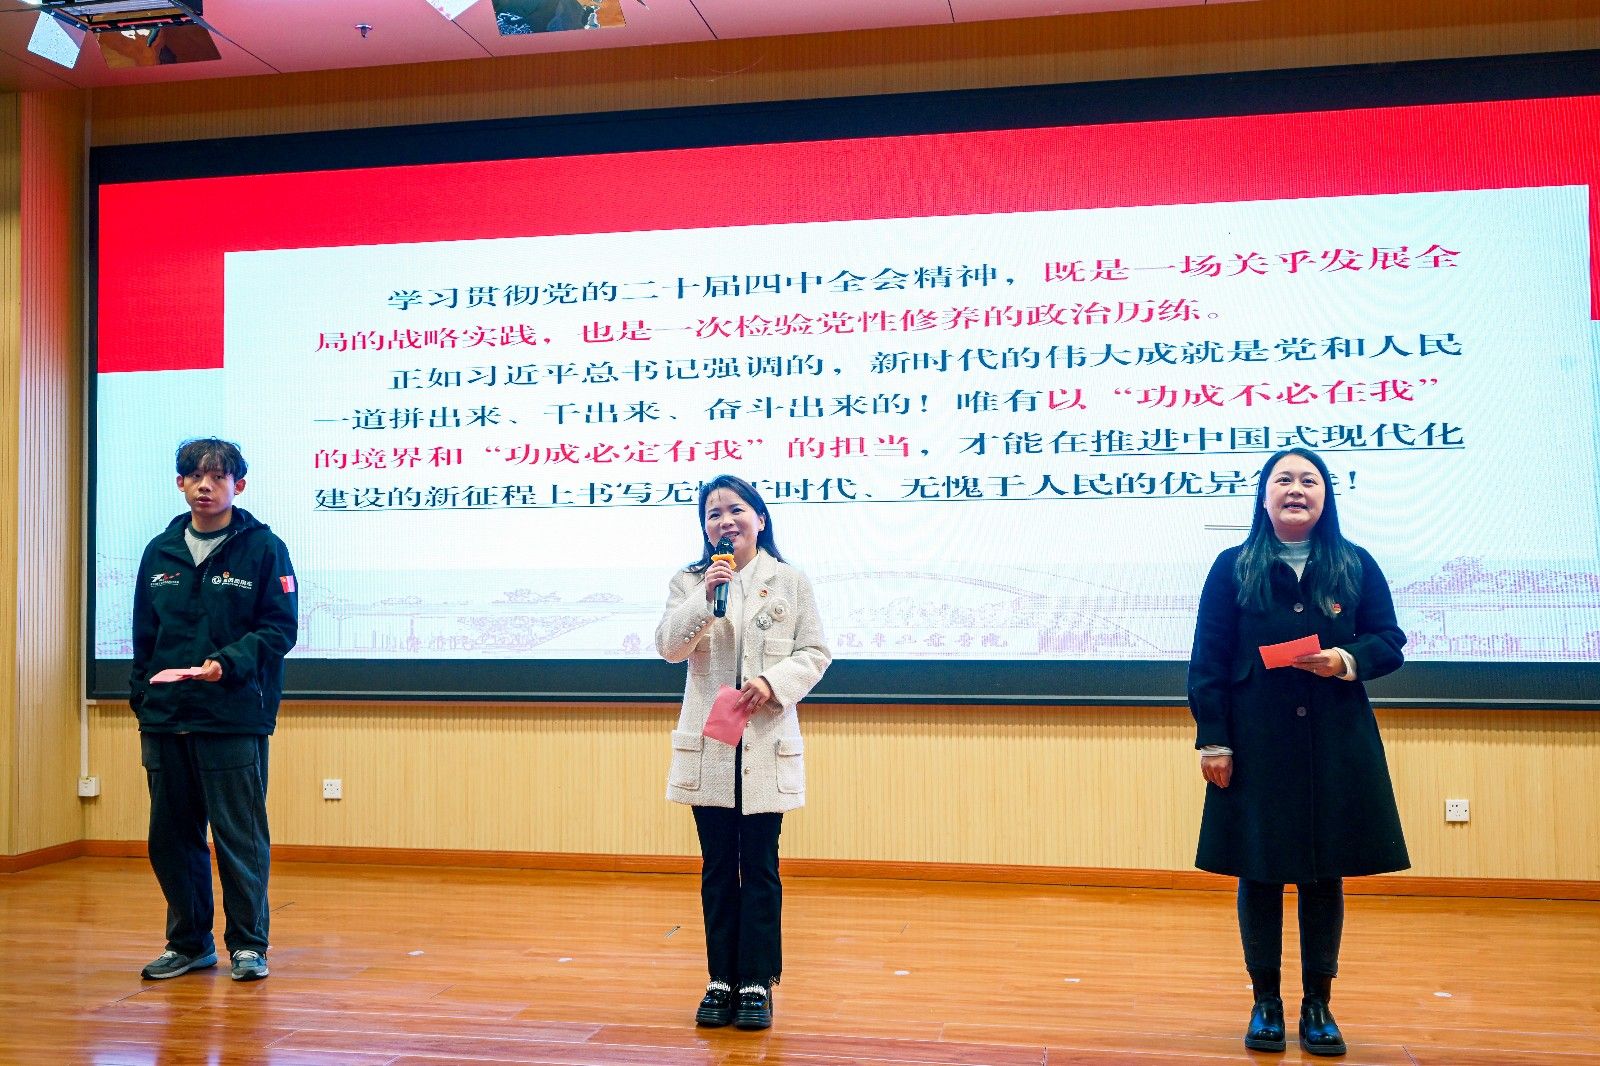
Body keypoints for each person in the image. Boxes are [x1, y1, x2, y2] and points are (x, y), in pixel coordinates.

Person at [1187, 447, 1408, 1057]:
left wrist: (1345, 659)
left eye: (1309, 480)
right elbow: (1207, 660)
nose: (1296, 489)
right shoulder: (1233, 567)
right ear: (1263, 497)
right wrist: (1214, 739)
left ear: (1325, 496)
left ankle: (1318, 1005)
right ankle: (1265, 1002)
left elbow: (1390, 641)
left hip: (1335, 742)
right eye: (1282, 479)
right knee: (1259, 871)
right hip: (1255, 742)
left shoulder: (1354, 563)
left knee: (1323, 873)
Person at [655, 475, 830, 1031]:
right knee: (715, 869)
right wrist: (706, 598)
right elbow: (669, 648)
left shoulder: (789, 582)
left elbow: (815, 652)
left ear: (759, 518)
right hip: (709, 746)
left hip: (764, 742)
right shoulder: (691, 582)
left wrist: (772, 682)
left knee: (758, 867)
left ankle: (756, 981)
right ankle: (720, 980)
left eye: (736, 510)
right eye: (713, 514)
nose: (725, 521)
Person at [129, 439, 299, 982]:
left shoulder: (264, 548)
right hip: (166, 718)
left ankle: (248, 945)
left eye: (218, 477)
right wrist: (142, 698)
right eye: (195, 476)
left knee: (238, 837)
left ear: (238, 485)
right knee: (172, 839)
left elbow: (280, 628)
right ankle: (188, 944)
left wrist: (228, 663)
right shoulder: (160, 551)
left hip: (232, 716)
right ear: (180, 483)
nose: (206, 486)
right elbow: (144, 636)